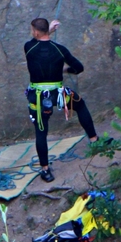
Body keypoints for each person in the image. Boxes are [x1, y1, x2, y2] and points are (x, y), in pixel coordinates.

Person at [24, 17, 103, 183]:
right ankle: (94, 140)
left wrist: (47, 31)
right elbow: (79, 67)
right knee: (80, 105)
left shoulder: (29, 48)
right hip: (57, 94)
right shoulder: (59, 49)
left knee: (41, 131)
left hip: (38, 96)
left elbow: (36, 41)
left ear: (36, 32)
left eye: (33, 30)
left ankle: (45, 170)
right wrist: (66, 70)